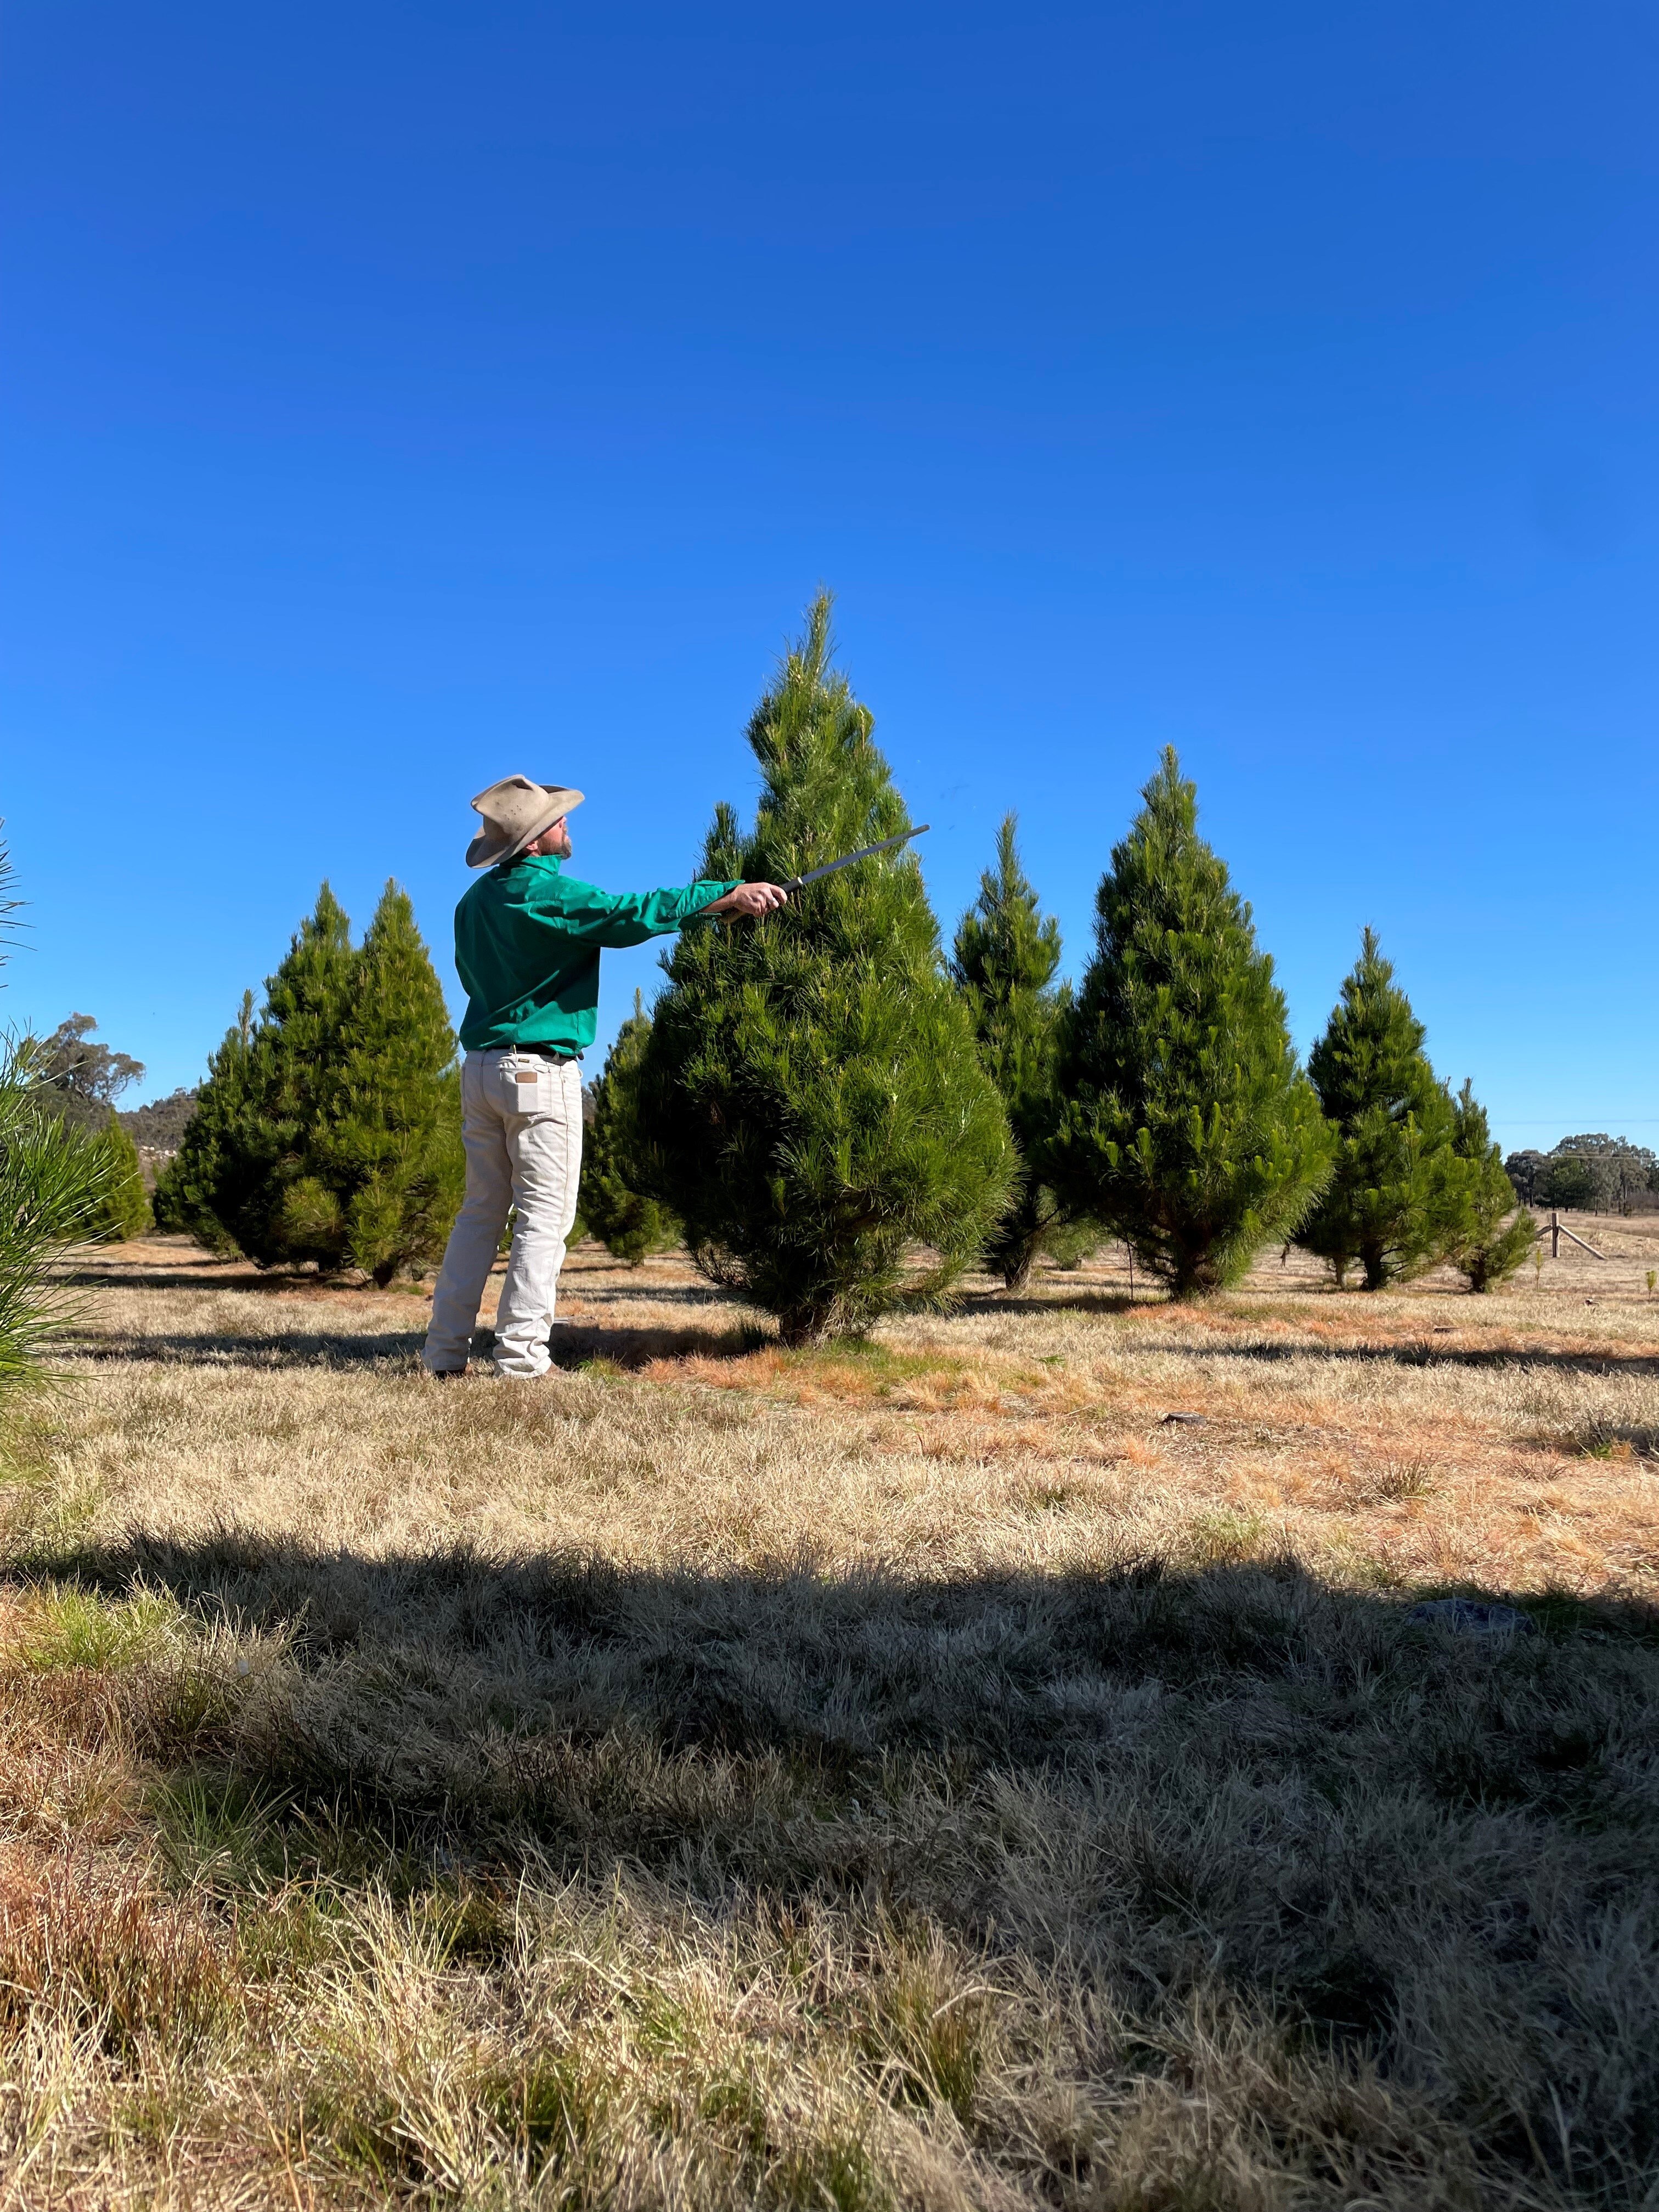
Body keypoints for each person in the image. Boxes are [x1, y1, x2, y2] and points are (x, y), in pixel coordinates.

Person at [422, 774, 786, 1379]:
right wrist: (729, 895)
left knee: (480, 1213)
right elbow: (632, 914)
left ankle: (443, 1355)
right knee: (544, 1218)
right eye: (556, 822)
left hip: (481, 1068)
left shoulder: (473, 904)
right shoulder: (551, 895)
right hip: (539, 1072)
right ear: (534, 843)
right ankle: (519, 1359)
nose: (567, 827)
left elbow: (470, 978)